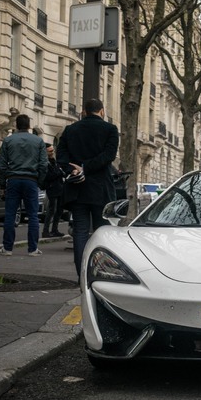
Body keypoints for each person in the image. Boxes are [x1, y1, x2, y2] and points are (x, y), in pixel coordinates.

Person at [57, 98, 119, 279]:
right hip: (101, 189)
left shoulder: (70, 130)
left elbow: (61, 156)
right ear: (102, 111)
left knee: (80, 232)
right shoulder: (110, 129)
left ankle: (81, 274)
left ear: (84, 111)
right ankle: (100, 274)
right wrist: (87, 166)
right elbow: (108, 156)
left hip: (77, 188)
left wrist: (75, 169)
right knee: (102, 233)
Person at [0, 114, 48, 256]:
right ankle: (32, 248)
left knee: (10, 214)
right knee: (33, 215)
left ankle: (7, 248)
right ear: (29, 126)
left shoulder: (8, 141)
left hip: (13, 179)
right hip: (31, 180)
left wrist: (2, 184)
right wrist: (40, 181)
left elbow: (1, 165)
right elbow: (44, 164)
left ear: (17, 126)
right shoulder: (38, 141)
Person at [42, 143, 66, 238]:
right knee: (51, 210)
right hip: (52, 188)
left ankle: (54, 229)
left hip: (60, 187)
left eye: (53, 150)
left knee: (59, 210)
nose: (52, 153)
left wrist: (60, 172)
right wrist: (59, 172)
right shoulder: (44, 163)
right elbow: (48, 176)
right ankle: (46, 231)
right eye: (50, 151)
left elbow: (59, 172)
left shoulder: (53, 161)